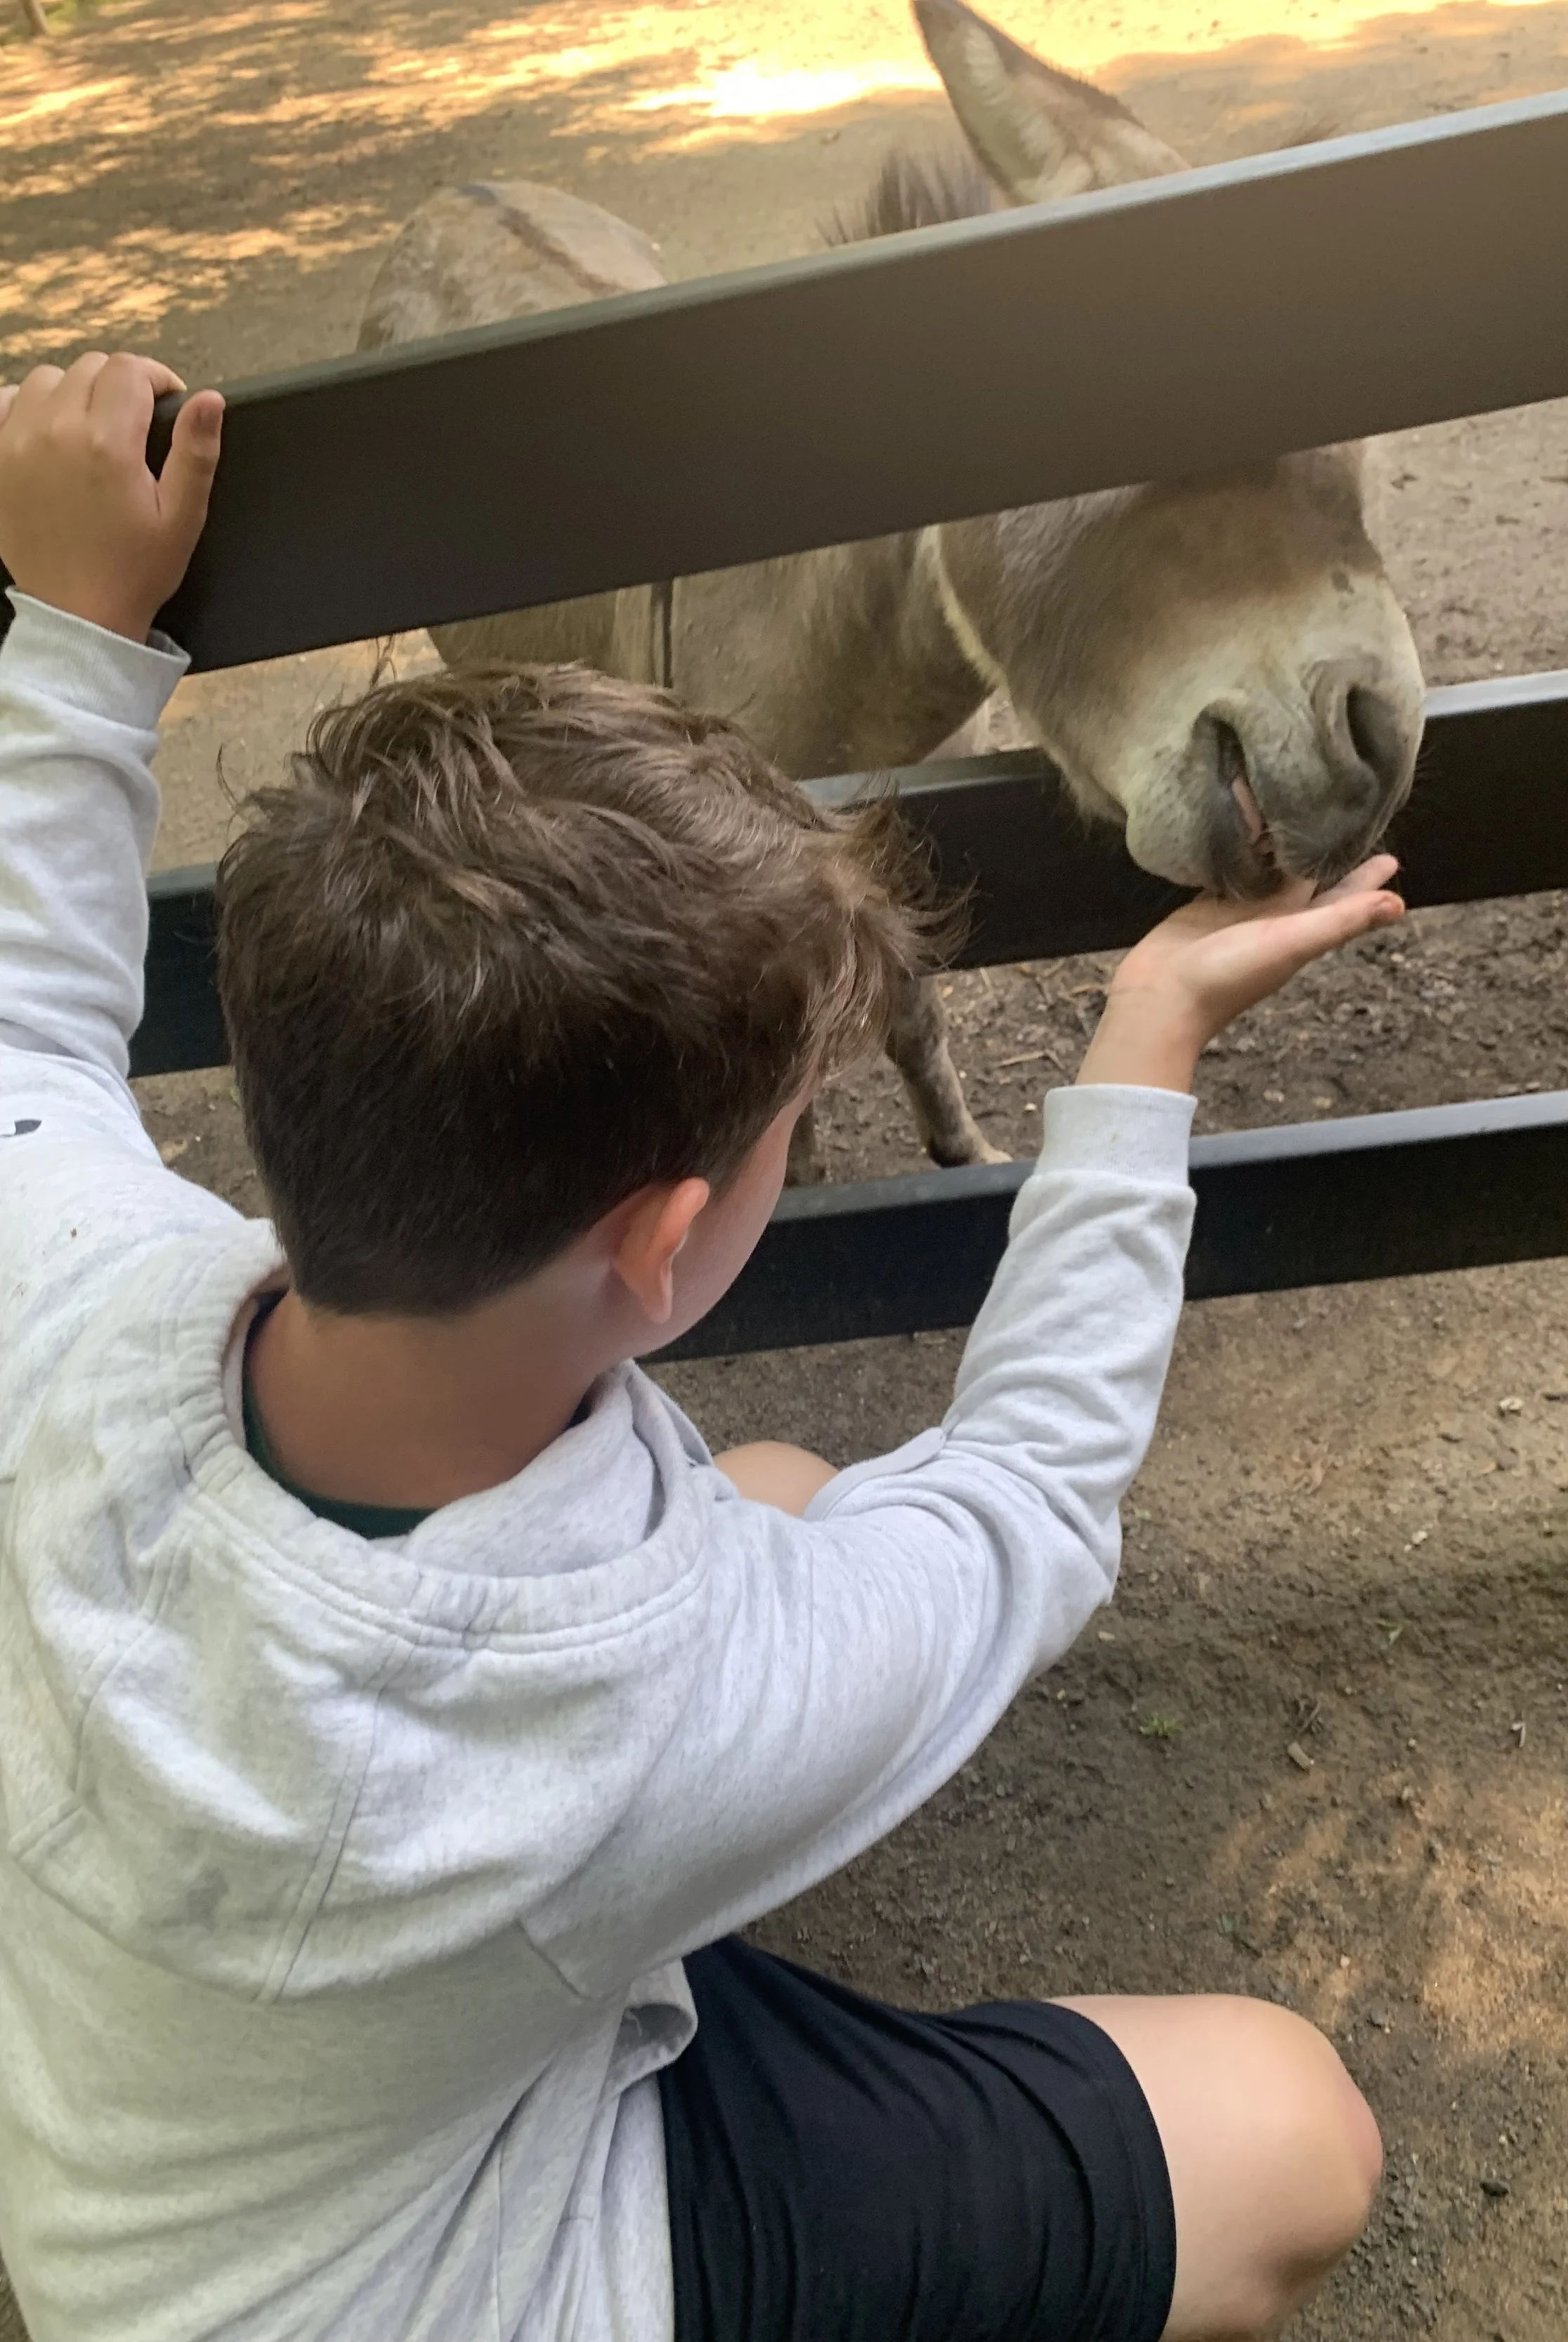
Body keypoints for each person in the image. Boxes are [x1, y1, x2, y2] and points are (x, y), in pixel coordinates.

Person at [0, 352, 1402, 2342]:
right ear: (664, 1239)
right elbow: (1025, 1499)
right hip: (422, 2282)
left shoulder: (68, 1289)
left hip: (165, 2144)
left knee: (788, 1491)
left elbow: (28, 1023)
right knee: (1292, 2132)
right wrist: (1146, 1039)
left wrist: (73, 627)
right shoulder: (650, 1682)